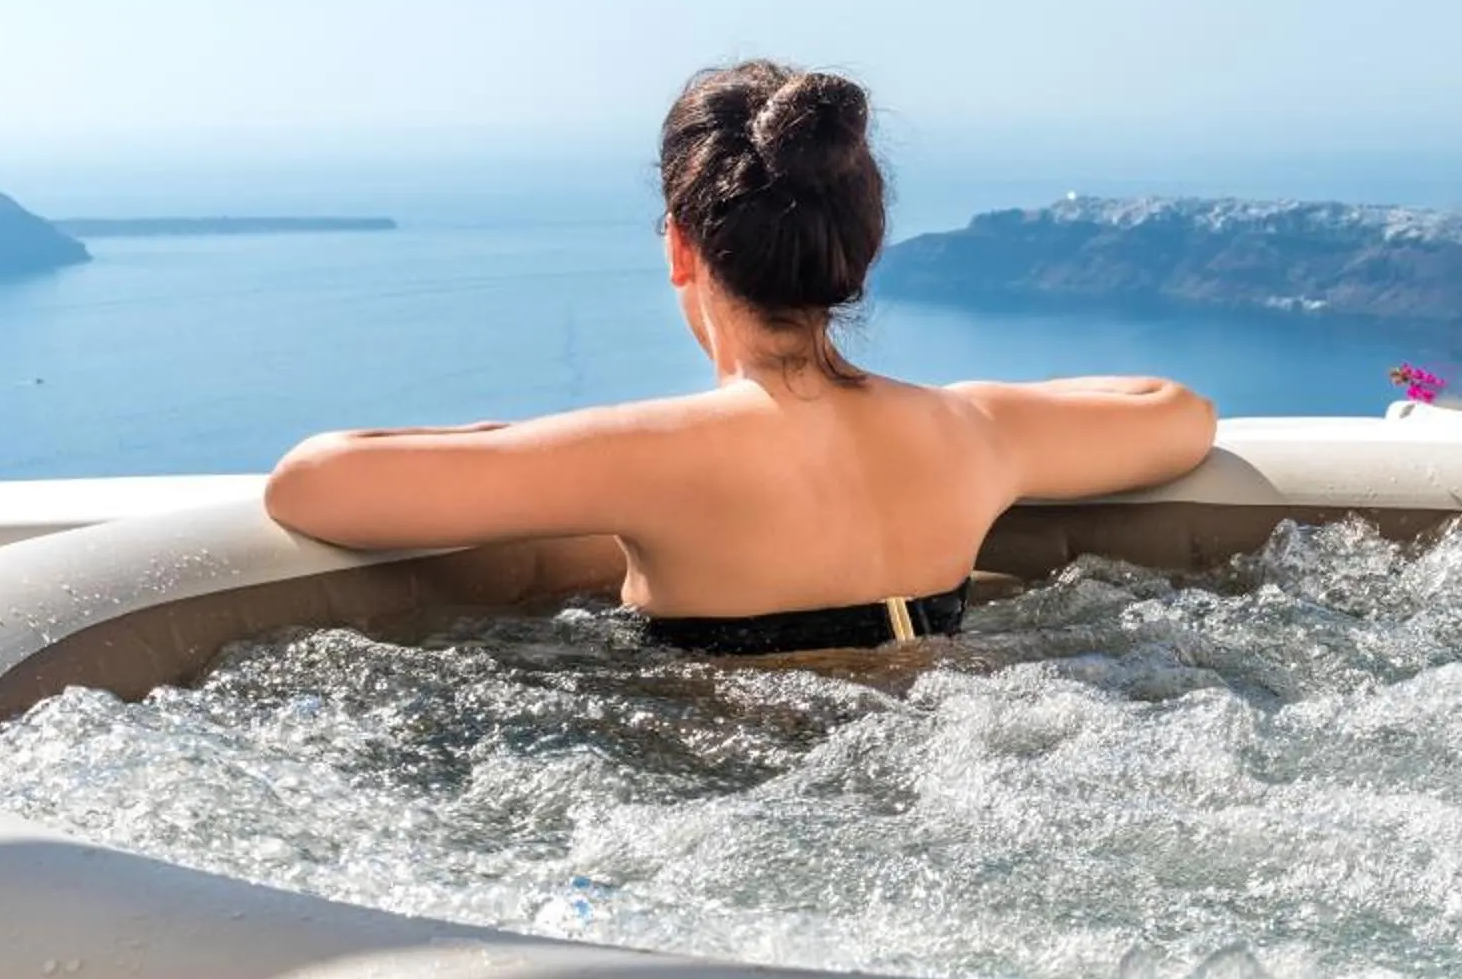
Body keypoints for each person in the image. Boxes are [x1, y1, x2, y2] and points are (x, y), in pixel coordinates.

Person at [263, 60, 1218, 653]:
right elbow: (1175, 412)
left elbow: (311, 485)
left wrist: (515, 442)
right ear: (862, 252)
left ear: (682, 247)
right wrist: (982, 403)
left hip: (741, 791)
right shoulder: (976, 431)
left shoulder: (641, 455)